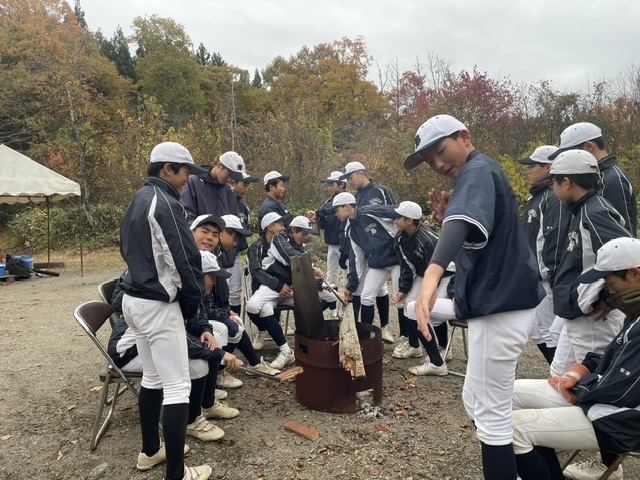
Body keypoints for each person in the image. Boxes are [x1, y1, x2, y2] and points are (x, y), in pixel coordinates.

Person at [406, 115, 543, 480]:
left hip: (501, 307)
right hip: (497, 303)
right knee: (477, 402)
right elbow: (472, 229)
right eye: (429, 161)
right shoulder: (476, 174)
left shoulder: (478, 170)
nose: (438, 164)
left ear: (464, 137)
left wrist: (432, 273)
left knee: (491, 417)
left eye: (441, 151)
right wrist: (449, 219)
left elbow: (463, 221)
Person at [119, 141, 212, 480]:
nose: (188, 179)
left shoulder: (138, 199)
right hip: (158, 304)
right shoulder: (166, 203)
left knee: (153, 378)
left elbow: (126, 250)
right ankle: (177, 474)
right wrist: (191, 308)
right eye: (186, 171)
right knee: (177, 387)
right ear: (168, 169)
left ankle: (150, 452)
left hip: (134, 300)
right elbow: (186, 261)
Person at [511, 237, 640, 480]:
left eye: (610, 284)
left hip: (622, 419)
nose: (609, 293)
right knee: (507, 394)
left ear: (635, 274)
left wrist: (580, 387)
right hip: (606, 403)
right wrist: (582, 368)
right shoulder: (635, 312)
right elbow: (616, 358)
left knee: (514, 428)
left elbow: (622, 390)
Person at [543, 150, 632, 378]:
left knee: (591, 380)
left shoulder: (595, 212)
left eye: (553, 182)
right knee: (558, 377)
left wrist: (610, 298)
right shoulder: (584, 209)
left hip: (593, 318)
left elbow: (628, 255)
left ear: (567, 182)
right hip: (578, 313)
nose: (552, 188)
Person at [246, 215, 336, 369]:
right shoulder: (278, 240)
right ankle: (275, 340)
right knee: (255, 306)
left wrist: (318, 280)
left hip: (290, 289)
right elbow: (290, 260)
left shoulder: (299, 248)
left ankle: (300, 339)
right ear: (293, 230)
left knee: (330, 296)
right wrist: (279, 285)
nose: (307, 236)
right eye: (304, 233)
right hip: (271, 287)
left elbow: (299, 267)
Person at [518, 145, 567, 365]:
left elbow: (555, 239)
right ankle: (556, 372)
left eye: (533, 166)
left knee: (551, 332)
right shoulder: (535, 198)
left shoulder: (553, 197)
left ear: (548, 167)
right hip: (533, 276)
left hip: (547, 278)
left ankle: (560, 376)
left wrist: (552, 275)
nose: (528, 170)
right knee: (537, 331)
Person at [339, 162, 398, 342]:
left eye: (351, 177)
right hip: (369, 253)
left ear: (362, 173)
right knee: (368, 292)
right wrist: (344, 252)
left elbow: (395, 215)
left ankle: (386, 328)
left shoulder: (381, 191)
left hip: (392, 251)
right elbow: (349, 228)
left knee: (389, 293)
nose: (350, 181)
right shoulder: (353, 198)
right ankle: (365, 337)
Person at [391, 201, 451, 375]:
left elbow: (438, 270)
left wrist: (429, 294)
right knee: (409, 304)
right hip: (424, 273)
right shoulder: (400, 238)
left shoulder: (429, 240)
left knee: (430, 311)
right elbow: (406, 266)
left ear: (409, 220)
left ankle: (443, 351)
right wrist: (403, 289)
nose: (394, 220)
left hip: (446, 274)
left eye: (398, 217)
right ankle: (415, 347)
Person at [548, 122, 636, 236]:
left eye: (571, 153)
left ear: (589, 146)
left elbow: (621, 233)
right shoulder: (598, 175)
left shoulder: (613, 178)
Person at [248, 212, 287, 351]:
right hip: (264, 289)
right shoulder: (256, 247)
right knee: (257, 308)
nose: (284, 228)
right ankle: (262, 329)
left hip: (286, 289)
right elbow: (256, 271)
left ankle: (301, 339)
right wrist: (277, 285)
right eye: (280, 225)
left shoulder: (285, 243)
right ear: (270, 227)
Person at [306, 171, 347, 297]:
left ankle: (350, 302)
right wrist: (318, 218)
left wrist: (318, 212)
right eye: (328, 185)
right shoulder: (328, 201)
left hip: (345, 244)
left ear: (341, 185)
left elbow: (330, 208)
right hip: (331, 243)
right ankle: (332, 302)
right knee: (331, 276)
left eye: (332, 185)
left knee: (347, 275)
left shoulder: (346, 200)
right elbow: (324, 225)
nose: (329, 187)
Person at [228, 170, 259, 314]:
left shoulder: (244, 207)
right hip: (221, 254)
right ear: (232, 182)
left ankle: (236, 324)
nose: (246, 188)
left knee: (235, 293)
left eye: (248, 185)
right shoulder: (223, 201)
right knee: (222, 291)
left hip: (235, 255)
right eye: (244, 184)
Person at [257, 170, 291, 235]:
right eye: (281, 186)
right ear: (271, 187)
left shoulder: (279, 205)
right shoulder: (268, 207)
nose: (283, 189)